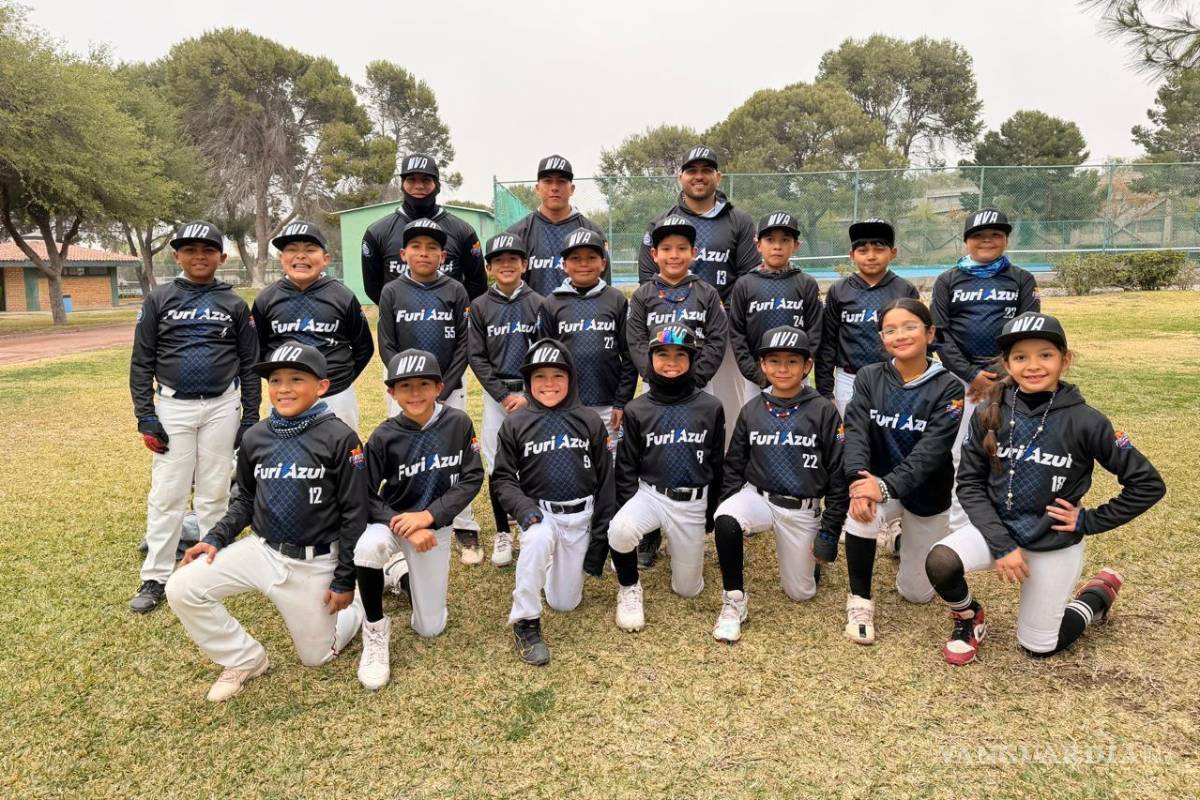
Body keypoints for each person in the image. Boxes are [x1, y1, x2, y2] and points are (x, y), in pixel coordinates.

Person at [925, 312, 1165, 664]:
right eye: (1021, 357)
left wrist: (1088, 521)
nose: (1033, 365)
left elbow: (1148, 484)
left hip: (1052, 541)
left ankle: (1095, 597)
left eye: (1046, 355)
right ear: (1007, 364)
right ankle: (968, 616)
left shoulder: (1087, 420)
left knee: (1039, 647)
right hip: (999, 533)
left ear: (1065, 361)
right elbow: (970, 485)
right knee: (941, 561)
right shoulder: (988, 412)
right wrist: (1003, 545)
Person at [165, 343, 365, 701]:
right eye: (275, 380)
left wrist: (345, 579)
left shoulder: (340, 437)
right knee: (182, 587)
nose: (284, 388)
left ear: (322, 386)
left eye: (296, 379)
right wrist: (215, 538)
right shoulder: (256, 436)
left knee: (317, 657)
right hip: (262, 551)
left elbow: (354, 512)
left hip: (315, 560)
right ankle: (245, 658)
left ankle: (358, 606)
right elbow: (245, 499)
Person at [128, 220, 260, 614]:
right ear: (177, 256)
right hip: (173, 406)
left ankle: (210, 571)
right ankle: (156, 575)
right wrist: (145, 415)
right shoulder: (159, 299)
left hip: (222, 405)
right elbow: (142, 361)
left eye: (207, 250)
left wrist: (250, 416)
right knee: (168, 492)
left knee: (214, 491)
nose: (199, 256)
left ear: (222, 257)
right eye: (190, 250)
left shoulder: (234, 303)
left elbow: (249, 363)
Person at [353, 349, 484, 690]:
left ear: (440, 387)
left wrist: (429, 516)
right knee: (367, 548)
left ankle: (399, 574)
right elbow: (365, 493)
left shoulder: (458, 423)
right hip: (393, 522)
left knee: (430, 628)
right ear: (391, 392)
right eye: (405, 386)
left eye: (424, 384)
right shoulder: (384, 435)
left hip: (433, 526)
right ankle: (374, 628)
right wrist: (402, 523)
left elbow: (472, 477)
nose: (415, 393)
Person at [710, 326, 848, 643]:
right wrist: (725, 512)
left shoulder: (823, 410)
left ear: (807, 365)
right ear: (762, 365)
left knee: (800, 593)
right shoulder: (752, 409)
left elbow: (838, 474)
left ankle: (809, 562)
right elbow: (735, 464)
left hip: (802, 507)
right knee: (726, 519)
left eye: (792, 361)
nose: (782, 369)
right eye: (774, 361)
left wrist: (829, 532)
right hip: (759, 497)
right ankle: (734, 601)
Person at [839, 298, 963, 645]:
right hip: (879, 484)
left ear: (930, 333)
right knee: (860, 513)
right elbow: (856, 432)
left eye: (910, 327)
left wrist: (885, 487)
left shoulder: (949, 386)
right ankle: (860, 601)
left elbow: (932, 450)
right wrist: (859, 481)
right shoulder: (869, 376)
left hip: (925, 493)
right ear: (882, 338)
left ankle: (900, 537)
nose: (901, 335)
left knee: (917, 594)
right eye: (890, 329)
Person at [492, 340, 614, 666]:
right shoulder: (516, 423)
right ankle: (525, 621)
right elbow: (502, 478)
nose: (549, 384)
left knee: (564, 603)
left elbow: (606, 481)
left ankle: (550, 566)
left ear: (571, 377)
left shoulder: (589, 419)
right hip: (541, 513)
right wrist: (524, 510)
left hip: (581, 516)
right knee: (537, 538)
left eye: (557, 375)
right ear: (528, 381)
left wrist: (599, 543)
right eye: (540, 376)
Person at [638, 146, 759, 452]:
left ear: (719, 176)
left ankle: (725, 470)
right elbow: (647, 279)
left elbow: (747, 279)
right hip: (668, 333)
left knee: (726, 411)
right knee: (667, 411)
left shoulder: (738, 220)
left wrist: (717, 315)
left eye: (706, 170)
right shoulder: (662, 222)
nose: (699, 176)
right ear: (680, 177)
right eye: (692, 170)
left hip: (721, 332)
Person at [606, 323, 724, 631]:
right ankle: (629, 588)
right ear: (651, 359)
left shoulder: (710, 407)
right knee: (620, 530)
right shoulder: (637, 409)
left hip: (692, 502)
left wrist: (711, 510)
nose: (671, 362)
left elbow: (716, 463)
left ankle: (680, 544)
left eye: (679, 355)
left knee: (688, 589)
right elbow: (626, 467)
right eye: (662, 355)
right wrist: (624, 507)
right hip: (652, 495)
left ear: (692, 359)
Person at [376, 218, 481, 563]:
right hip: (408, 393)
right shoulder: (392, 291)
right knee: (406, 458)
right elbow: (387, 344)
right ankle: (404, 520)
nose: (424, 253)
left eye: (432, 247)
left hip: (447, 388)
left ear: (443, 256)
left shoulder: (455, 290)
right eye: (416, 247)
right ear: (403, 254)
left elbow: (464, 343)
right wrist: (405, 385)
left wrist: (442, 386)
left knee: (455, 457)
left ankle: (464, 526)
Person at [931, 208, 1040, 531]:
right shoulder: (948, 280)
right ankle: (960, 526)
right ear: (967, 241)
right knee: (960, 452)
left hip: (1010, 378)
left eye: (995, 234)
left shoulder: (1021, 279)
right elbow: (940, 335)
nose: (987, 240)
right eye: (979, 235)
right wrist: (971, 375)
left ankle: (1007, 520)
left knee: (1010, 449)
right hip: (961, 380)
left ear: (1006, 239)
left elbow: (1029, 331)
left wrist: (1003, 375)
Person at [252, 220, 373, 431]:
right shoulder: (266, 299)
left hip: (335, 394)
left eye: (310, 249)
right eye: (291, 249)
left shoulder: (342, 296)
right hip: (286, 396)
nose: (301, 256)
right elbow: (257, 349)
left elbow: (364, 348)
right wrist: (280, 381)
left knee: (342, 447)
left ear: (326, 259)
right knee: (286, 447)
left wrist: (340, 379)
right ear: (281, 258)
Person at [468, 232, 544, 566]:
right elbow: (476, 356)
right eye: (498, 260)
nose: (506, 265)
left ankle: (532, 525)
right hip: (497, 396)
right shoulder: (480, 306)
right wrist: (502, 395)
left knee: (535, 460)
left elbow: (546, 353)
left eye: (513, 259)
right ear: (488, 268)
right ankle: (502, 531)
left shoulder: (539, 302)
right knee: (497, 463)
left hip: (532, 396)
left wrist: (528, 394)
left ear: (524, 264)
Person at [538, 228, 637, 443]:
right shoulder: (551, 304)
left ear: (603, 263)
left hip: (608, 403)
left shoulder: (616, 299)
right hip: (566, 402)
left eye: (591, 257)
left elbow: (630, 356)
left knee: (609, 459)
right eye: (575, 258)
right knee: (572, 458)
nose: (584, 264)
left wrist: (622, 402)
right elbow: (544, 361)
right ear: (564, 265)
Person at [815, 218, 919, 415]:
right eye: (862, 250)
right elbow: (828, 342)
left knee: (890, 430)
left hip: (894, 376)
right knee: (850, 432)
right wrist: (825, 391)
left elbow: (917, 341)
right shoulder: (839, 290)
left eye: (879, 249)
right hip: (849, 379)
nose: (871, 256)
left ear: (893, 252)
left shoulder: (904, 289)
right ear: (851, 255)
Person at [360, 153, 486, 304]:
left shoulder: (463, 231)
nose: (419, 186)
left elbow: (477, 284)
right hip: (398, 318)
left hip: (451, 318)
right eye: (411, 179)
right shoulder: (377, 232)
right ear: (402, 184)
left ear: (437, 185)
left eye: (426, 179)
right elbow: (373, 287)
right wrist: (401, 311)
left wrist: (450, 310)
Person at [728, 211, 823, 404]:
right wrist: (754, 372)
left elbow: (814, 331)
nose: (777, 246)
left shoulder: (806, 283)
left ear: (796, 245)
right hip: (757, 376)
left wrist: (801, 369)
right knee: (756, 421)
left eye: (785, 240)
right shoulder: (745, 284)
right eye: (770, 240)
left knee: (800, 420)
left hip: (796, 374)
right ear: (758, 245)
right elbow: (737, 334)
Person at [626, 215, 727, 389]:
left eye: (682, 248)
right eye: (666, 249)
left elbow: (717, 341)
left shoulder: (708, 293)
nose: (674, 255)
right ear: (654, 254)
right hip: (656, 386)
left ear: (693, 253)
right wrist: (654, 376)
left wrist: (697, 377)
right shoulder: (642, 295)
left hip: (697, 386)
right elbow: (637, 342)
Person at [505, 154, 610, 295]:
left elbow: (603, 289)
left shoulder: (592, 232)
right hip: (531, 310)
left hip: (580, 310)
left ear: (572, 189)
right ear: (537, 188)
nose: (554, 187)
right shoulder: (517, 234)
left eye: (561, 181)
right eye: (548, 181)